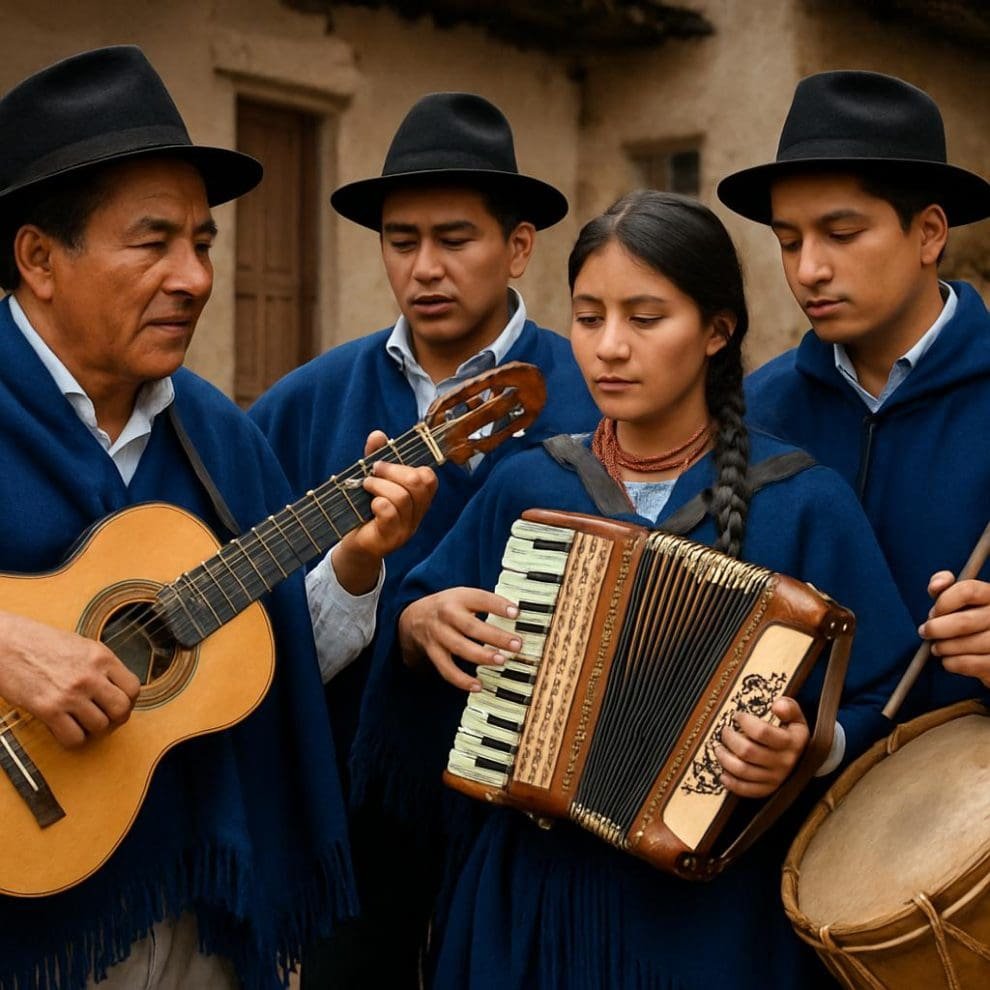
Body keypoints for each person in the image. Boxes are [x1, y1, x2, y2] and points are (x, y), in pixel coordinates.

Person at [382, 190, 918, 989]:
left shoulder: (804, 503)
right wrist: (422, 623)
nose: (610, 348)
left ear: (716, 330)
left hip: (713, 930)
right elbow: (411, 627)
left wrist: (811, 747)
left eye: (645, 317)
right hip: (527, 907)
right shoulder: (528, 482)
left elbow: (889, 706)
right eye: (589, 317)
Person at [0, 46, 433, 990]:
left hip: (205, 911)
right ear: (39, 258)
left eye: (202, 243)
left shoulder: (220, 437)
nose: (194, 276)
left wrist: (356, 565)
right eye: (153, 243)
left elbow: (258, 667)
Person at [250, 92, 599, 986]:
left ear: (519, 246)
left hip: (544, 822)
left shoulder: (596, 394)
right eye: (402, 242)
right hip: (353, 813)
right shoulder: (302, 405)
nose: (425, 268)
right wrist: (363, 582)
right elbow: (259, 643)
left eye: (456, 239)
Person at [719, 70, 990, 711]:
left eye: (841, 235)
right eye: (789, 241)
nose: (808, 269)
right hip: (790, 799)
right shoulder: (757, 409)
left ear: (928, 233)